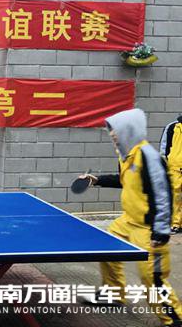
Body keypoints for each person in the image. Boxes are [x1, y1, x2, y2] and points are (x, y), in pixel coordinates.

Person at [79, 108, 182, 326]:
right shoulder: (126, 155)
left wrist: (161, 231)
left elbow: (163, 194)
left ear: (130, 130)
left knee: (151, 277)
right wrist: (97, 180)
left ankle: (174, 318)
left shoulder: (149, 157)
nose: (113, 134)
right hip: (128, 221)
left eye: (116, 130)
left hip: (148, 226)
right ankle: (113, 294)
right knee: (107, 246)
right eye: (111, 130)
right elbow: (125, 180)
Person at [160, 115, 182, 234]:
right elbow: (164, 148)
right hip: (175, 168)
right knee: (175, 197)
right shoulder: (173, 127)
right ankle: (175, 224)